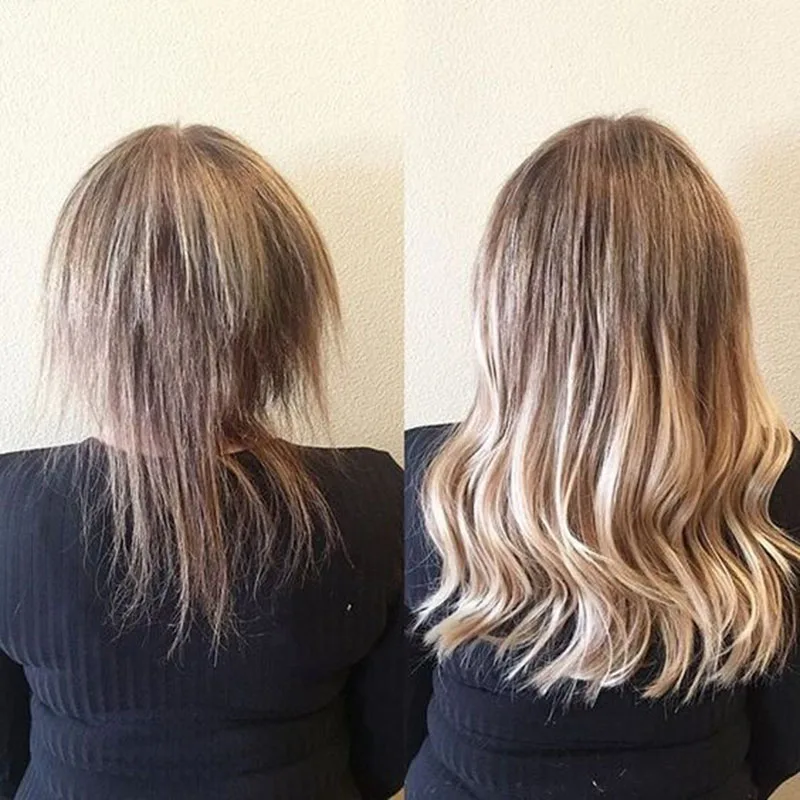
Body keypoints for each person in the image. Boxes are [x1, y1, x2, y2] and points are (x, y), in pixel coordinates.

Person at [0, 124, 403, 800]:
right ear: (287, 312)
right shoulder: (374, 500)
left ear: (82, 311)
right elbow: (388, 754)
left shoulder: (10, 505)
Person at [405, 115, 800, 800]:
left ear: (505, 302)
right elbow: (782, 737)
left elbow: (399, 712)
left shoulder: (430, 479)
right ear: (715, 310)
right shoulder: (778, 484)